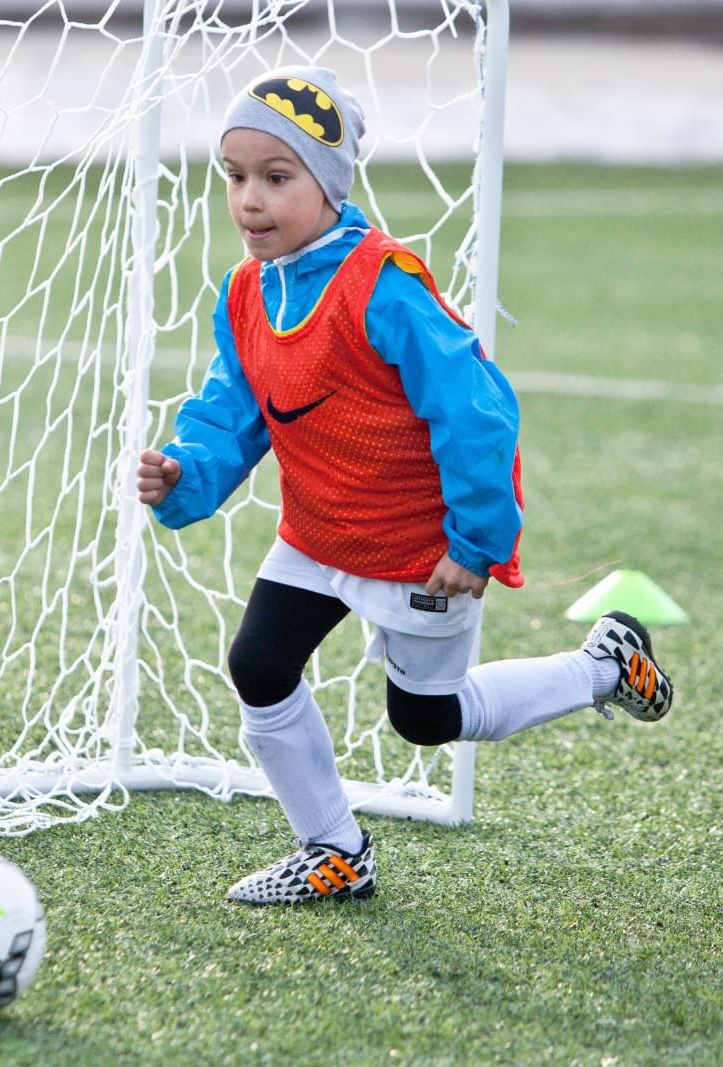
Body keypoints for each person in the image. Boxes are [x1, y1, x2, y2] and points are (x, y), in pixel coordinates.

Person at [135, 67, 675, 906]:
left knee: (424, 719)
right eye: (235, 177)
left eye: (277, 178)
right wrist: (184, 473)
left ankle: (602, 666)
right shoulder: (246, 292)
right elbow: (233, 411)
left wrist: (474, 542)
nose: (249, 200)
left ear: (329, 183)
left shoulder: (384, 284)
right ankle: (335, 849)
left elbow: (478, 411)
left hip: (419, 548)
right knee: (259, 664)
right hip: (315, 535)